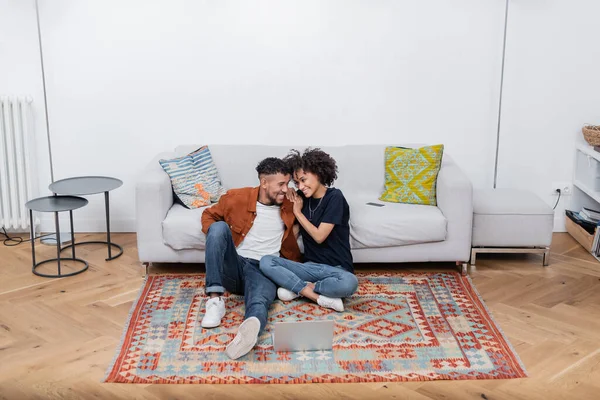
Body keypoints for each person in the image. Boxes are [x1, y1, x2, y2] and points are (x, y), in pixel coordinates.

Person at [200, 157, 301, 360]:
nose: (285, 189)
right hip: (235, 265)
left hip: (265, 269)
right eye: (281, 184)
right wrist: (216, 240)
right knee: (218, 228)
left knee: (259, 302)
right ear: (264, 182)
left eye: (288, 183)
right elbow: (208, 216)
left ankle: (249, 331)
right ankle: (214, 301)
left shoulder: (291, 202)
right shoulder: (236, 198)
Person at [259, 148, 358, 312]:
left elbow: (319, 236)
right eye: (297, 182)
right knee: (266, 261)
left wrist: (298, 212)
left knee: (350, 283)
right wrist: (287, 191)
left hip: (337, 270)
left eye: (304, 180)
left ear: (318, 173)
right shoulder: (301, 197)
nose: (301, 186)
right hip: (310, 267)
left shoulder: (335, 198)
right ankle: (315, 295)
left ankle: (299, 287)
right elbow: (291, 230)